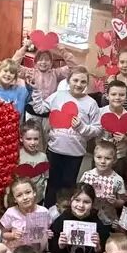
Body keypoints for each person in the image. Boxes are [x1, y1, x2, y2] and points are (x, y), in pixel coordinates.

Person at [34, 66, 100, 206]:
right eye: (75, 80)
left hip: (75, 153)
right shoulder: (58, 96)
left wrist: (82, 127)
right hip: (54, 150)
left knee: (68, 186)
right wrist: (35, 91)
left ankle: (65, 212)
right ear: (68, 81)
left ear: (86, 84)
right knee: (52, 184)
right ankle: (49, 210)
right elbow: (39, 108)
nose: (78, 84)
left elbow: (97, 129)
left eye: (83, 81)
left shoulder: (91, 103)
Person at [14, 38, 78, 122]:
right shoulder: (30, 73)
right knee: (32, 130)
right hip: (32, 110)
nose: (43, 62)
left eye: (47, 59)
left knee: (47, 130)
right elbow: (13, 65)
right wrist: (25, 47)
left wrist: (62, 50)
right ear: (35, 62)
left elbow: (74, 67)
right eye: (40, 59)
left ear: (51, 63)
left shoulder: (56, 73)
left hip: (49, 110)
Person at [0, 177, 52, 253]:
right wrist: (12, 235)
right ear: (14, 199)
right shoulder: (11, 213)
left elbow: (46, 230)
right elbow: (3, 233)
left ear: (34, 192)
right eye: (19, 195)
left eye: (28, 192)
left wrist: (47, 234)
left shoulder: (44, 212)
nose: (25, 197)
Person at [97, 80, 127, 178]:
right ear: (107, 96)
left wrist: (124, 138)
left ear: (126, 97)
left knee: (116, 182)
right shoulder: (99, 112)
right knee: (96, 181)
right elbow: (93, 135)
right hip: (100, 155)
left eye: (121, 95)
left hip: (118, 157)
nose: (117, 97)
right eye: (113, 94)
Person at [80, 140, 127, 224]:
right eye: (99, 157)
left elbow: (122, 201)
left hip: (108, 218)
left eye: (108, 158)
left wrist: (115, 202)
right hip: (88, 216)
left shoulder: (118, 180)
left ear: (114, 160)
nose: (102, 161)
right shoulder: (87, 175)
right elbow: (79, 193)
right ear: (94, 157)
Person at [18, 121, 49, 203]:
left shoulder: (43, 157)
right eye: (29, 139)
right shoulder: (17, 156)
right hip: (21, 199)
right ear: (21, 138)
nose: (33, 142)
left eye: (36, 139)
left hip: (37, 199)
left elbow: (46, 177)